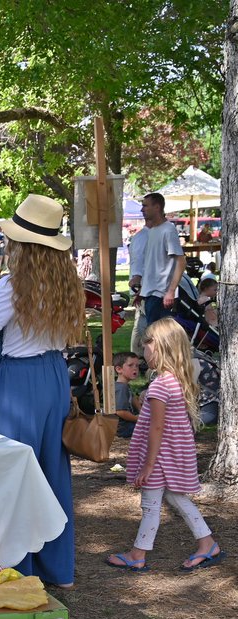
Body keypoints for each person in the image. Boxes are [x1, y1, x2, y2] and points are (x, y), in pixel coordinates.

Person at [0, 194, 83, 588]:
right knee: (52, 470)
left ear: (20, 244)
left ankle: (18, 568)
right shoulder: (67, 282)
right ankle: (57, 568)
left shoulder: (15, 285)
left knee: (14, 472)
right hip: (54, 376)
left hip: (20, 381)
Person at [106, 319, 222, 573]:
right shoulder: (175, 380)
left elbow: (156, 428)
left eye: (146, 345)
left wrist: (148, 465)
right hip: (171, 453)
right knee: (175, 497)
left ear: (159, 348)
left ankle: (138, 554)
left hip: (160, 457)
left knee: (150, 503)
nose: (143, 351)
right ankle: (207, 543)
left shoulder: (161, 384)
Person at [130, 192, 186, 326]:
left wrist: (171, 291)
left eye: (145, 206)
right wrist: (143, 290)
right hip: (150, 294)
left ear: (157, 207)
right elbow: (152, 265)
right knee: (153, 339)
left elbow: (181, 261)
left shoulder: (168, 230)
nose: (142, 209)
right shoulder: (154, 230)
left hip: (161, 295)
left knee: (159, 340)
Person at [113, 351, 141, 439]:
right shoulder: (121, 388)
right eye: (130, 365)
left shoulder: (124, 385)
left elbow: (132, 398)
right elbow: (120, 411)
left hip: (128, 424)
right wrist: (138, 419)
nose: (135, 368)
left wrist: (142, 412)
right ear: (119, 369)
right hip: (124, 428)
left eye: (137, 366)